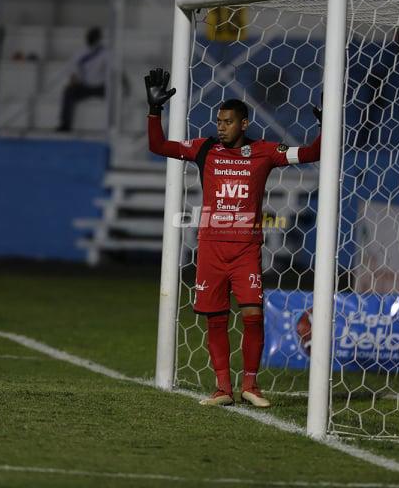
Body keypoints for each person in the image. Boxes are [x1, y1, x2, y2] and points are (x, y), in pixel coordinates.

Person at [145, 68, 321, 407]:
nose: (220, 127)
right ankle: (223, 388)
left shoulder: (265, 152)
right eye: (218, 121)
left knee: (253, 314)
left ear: (243, 124)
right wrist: (155, 111)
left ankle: (250, 386)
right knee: (216, 319)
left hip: (246, 251)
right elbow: (158, 145)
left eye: (227, 122)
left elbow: (311, 154)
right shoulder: (204, 148)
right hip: (211, 249)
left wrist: (325, 126)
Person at [56, 27, 108, 132]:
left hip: (101, 87)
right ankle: (65, 125)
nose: (90, 39)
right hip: (85, 86)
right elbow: (73, 71)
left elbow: (114, 71)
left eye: (93, 37)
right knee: (68, 92)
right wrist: (73, 81)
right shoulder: (80, 53)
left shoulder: (105, 53)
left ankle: (112, 126)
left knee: (116, 95)